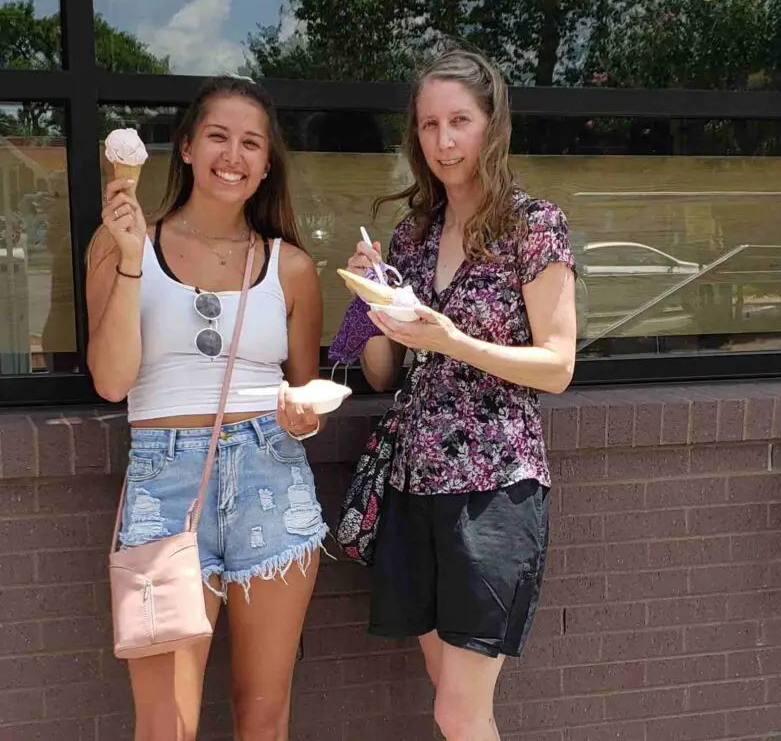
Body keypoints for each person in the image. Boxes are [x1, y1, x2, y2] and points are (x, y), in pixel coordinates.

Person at [343, 49, 577, 741]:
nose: (443, 141)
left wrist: (452, 340)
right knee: (448, 697)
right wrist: (363, 300)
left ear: (491, 125)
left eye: (459, 122)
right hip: (413, 482)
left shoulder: (532, 225)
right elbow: (382, 372)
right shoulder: (409, 234)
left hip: (494, 485)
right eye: (427, 125)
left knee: (457, 709)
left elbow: (557, 365)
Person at [86, 76, 326, 741]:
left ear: (266, 164)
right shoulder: (120, 242)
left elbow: (303, 394)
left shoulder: (292, 267)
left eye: (252, 143)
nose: (234, 154)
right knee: (166, 724)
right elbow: (110, 382)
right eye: (218, 136)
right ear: (187, 147)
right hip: (165, 483)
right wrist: (132, 259)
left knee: (263, 715)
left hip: (272, 481)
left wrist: (304, 414)